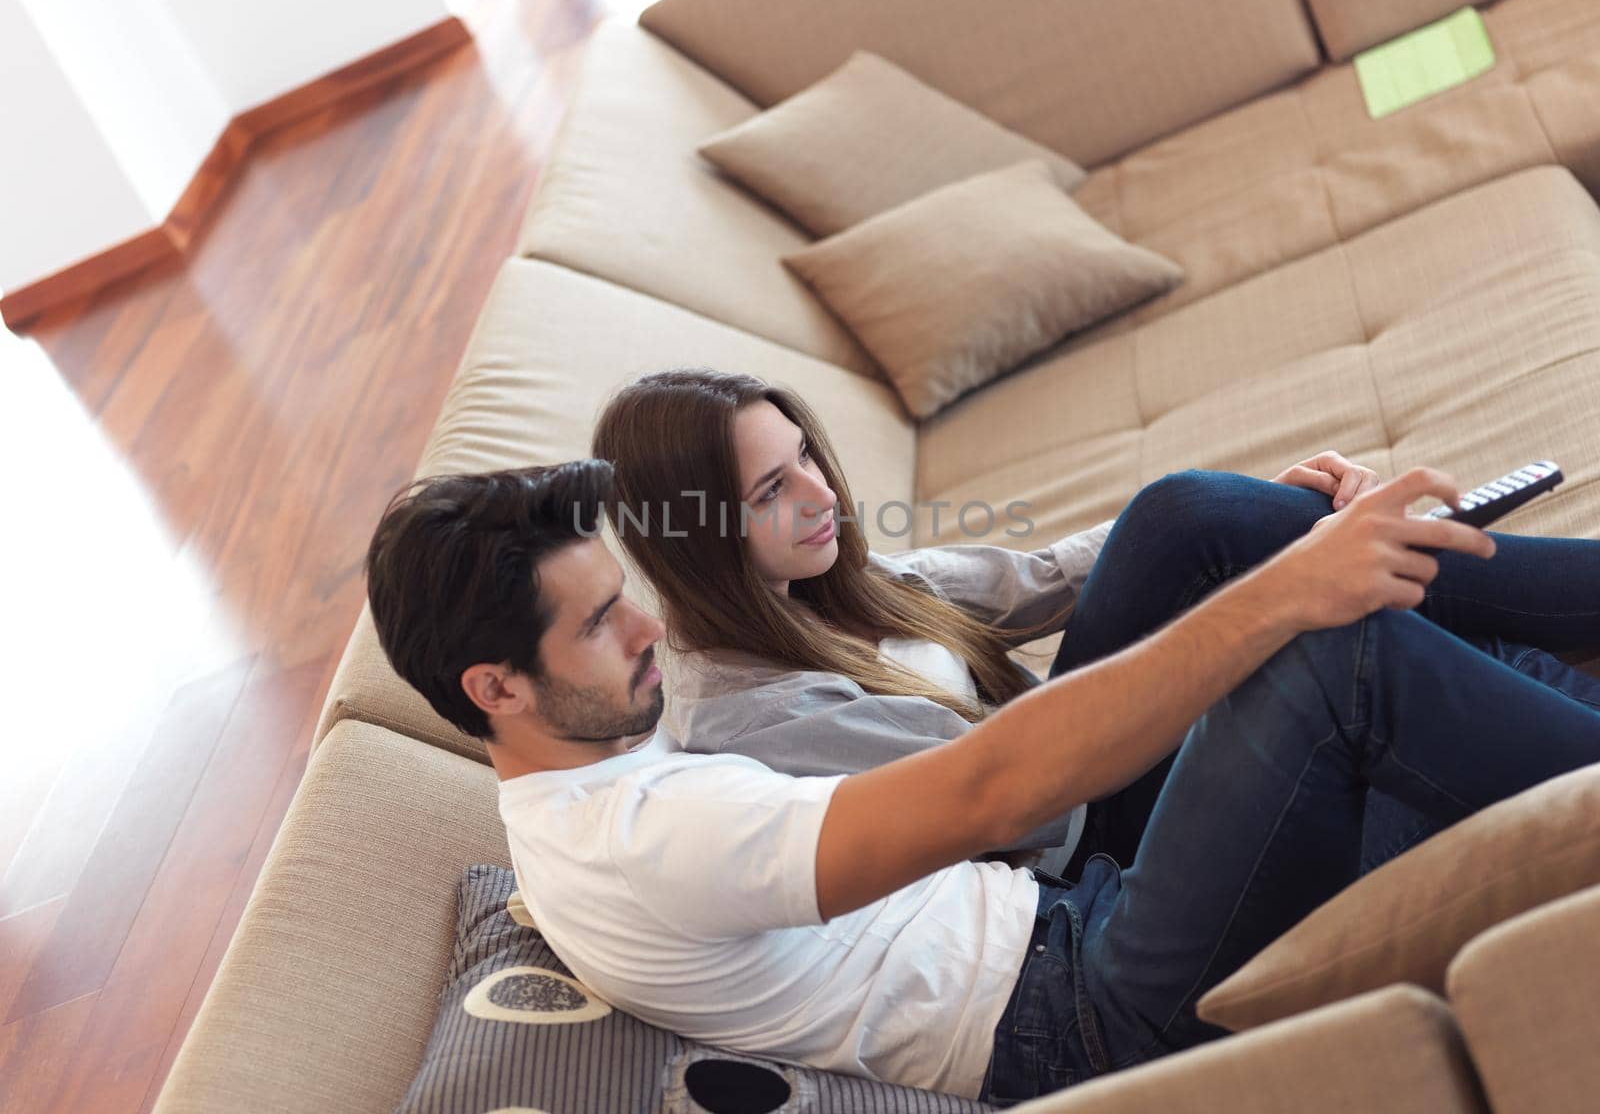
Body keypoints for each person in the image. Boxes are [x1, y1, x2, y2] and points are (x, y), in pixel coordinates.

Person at [364, 458, 1600, 1105]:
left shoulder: (606, 761)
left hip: (1082, 928)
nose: (642, 629)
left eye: (620, 591)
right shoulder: (642, 833)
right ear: (496, 689)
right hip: (1087, 1017)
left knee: (1311, 600)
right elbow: (984, 799)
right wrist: (1284, 592)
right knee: (1333, 659)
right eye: (596, 625)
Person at [591, 370, 1600, 874]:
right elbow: (1020, 802)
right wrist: (1246, 599)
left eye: (808, 456)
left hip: (1099, 773)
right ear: (697, 530)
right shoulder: (754, 709)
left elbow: (1038, 576)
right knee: (1269, 584)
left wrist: (1263, 523)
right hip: (1090, 840)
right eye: (773, 487)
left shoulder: (812, 579)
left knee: (1214, 527)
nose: (818, 496)